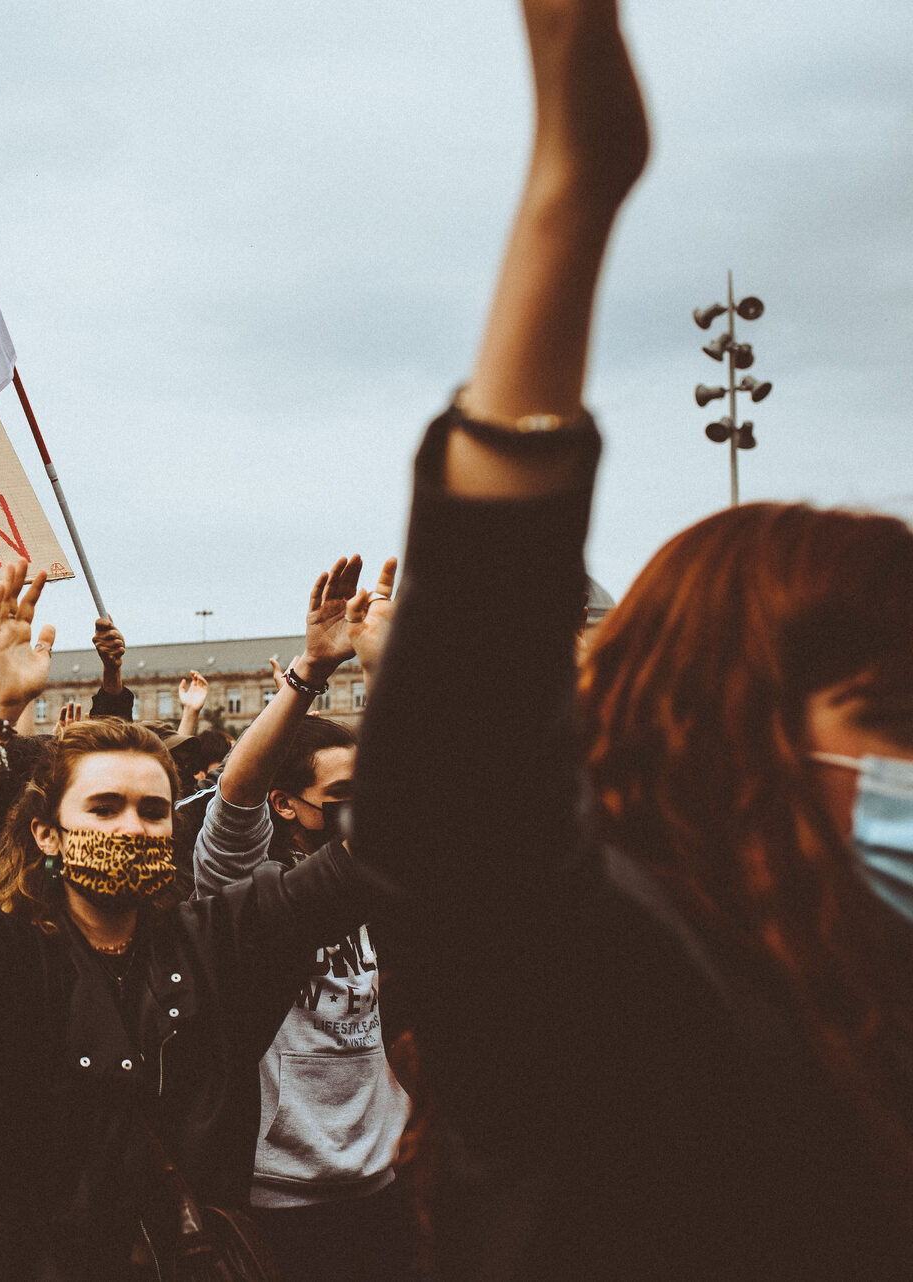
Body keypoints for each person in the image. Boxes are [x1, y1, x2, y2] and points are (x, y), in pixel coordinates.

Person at [355, 0, 913, 1274]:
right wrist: (576, 189)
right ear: (728, 722)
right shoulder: (625, 993)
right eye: (894, 721)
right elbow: (453, 800)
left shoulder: (857, 976)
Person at [0, 563, 378, 1281]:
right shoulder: (11, 955)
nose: (135, 826)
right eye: (104, 807)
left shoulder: (218, 937)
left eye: (153, 810)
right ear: (46, 835)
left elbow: (382, 848)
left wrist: (374, 677)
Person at [191, 559, 413, 1282]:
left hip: (383, 1179)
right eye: (340, 796)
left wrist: (389, 669)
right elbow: (236, 794)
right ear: (287, 804)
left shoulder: (386, 884)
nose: (362, 812)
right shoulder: (247, 895)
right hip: (280, 1195)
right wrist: (310, 671)